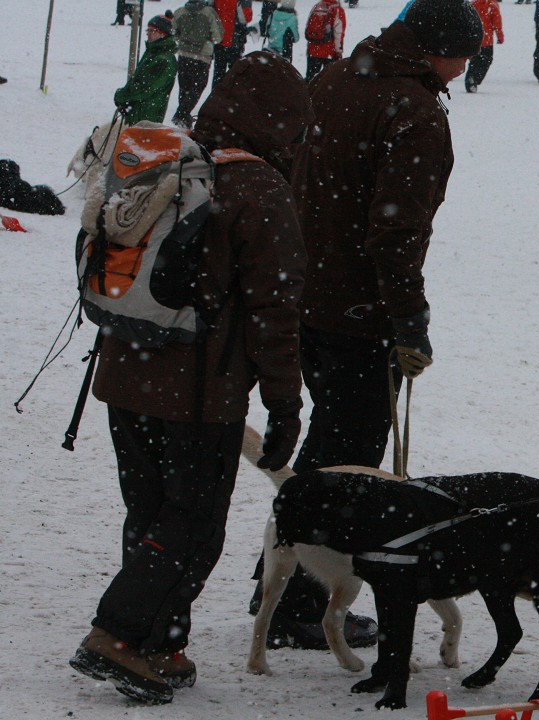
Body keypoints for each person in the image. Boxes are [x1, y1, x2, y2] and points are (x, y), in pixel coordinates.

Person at [69, 51, 312, 705]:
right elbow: (275, 310)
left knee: (151, 514)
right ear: (283, 123)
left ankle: (160, 642)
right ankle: (119, 636)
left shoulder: (171, 163)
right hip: (198, 393)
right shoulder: (260, 189)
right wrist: (285, 403)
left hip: (125, 372)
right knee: (193, 523)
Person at [247, 0, 482, 649]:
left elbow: (300, 176)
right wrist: (408, 318)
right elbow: (397, 230)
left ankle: (281, 581)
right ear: (438, 49)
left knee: (328, 446)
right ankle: (300, 604)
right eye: (466, 54)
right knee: (346, 462)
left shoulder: (339, 78)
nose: (466, 68)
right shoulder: (415, 112)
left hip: (307, 291)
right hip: (357, 307)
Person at [114, 13, 178, 125]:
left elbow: (146, 88)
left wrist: (123, 96)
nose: (148, 34)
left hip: (147, 116)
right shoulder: (152, 52)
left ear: (162, 34)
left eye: (152, 31)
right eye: (147, 30)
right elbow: (136, 81)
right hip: (139, 112)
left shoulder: (164, 60)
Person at [172, 0, 225, 129]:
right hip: (202, 56)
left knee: (184, 87)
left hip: (184, 54)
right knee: (198, 86)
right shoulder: (209, 13)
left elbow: (173, 32)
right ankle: (182, 114)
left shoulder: (180, 12)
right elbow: (218, 37)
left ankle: (183, 118)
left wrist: (183, 39)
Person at [465, 0, 503, 93]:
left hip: (474, 39)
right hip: (486, 40)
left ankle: (471, 78)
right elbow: (497, 23)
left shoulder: (472, 5)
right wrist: (500, 36)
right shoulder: (492, 5)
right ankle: (476, 78)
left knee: (474, 61)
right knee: (486, 60)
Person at [212, 0, 253, 85]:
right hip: (235, 42)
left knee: (218, 75)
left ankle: (216, 95)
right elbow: (246, 18)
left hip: (219, 40)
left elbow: (211, 12)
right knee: (234, 77)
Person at [304, 0, 346, 82]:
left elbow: (309, 28)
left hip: (313, 50)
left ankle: (308, 93)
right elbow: (339, 33)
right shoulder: (337, 10)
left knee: (311, 79)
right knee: (330, 81)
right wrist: (339, 51)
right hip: (329, 52)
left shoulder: (317, 7)